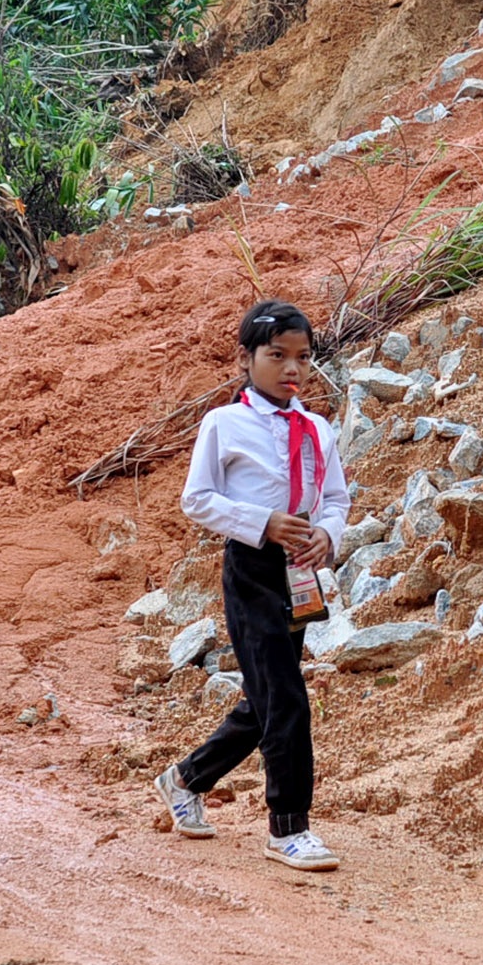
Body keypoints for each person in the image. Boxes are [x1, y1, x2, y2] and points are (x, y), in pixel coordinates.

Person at [153, 299, 352, 872]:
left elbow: (336, 498)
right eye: (277, 356)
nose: (292, 369)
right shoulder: (224, 424)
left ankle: (185, 779)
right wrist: (261, 522)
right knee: (285, 697)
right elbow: (197, 499)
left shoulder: (317, 428)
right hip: (251, 568)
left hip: (299, 570)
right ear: (245, 358)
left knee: (266, 695)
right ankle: (288, 828)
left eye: (303, 358)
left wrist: (326, 535)